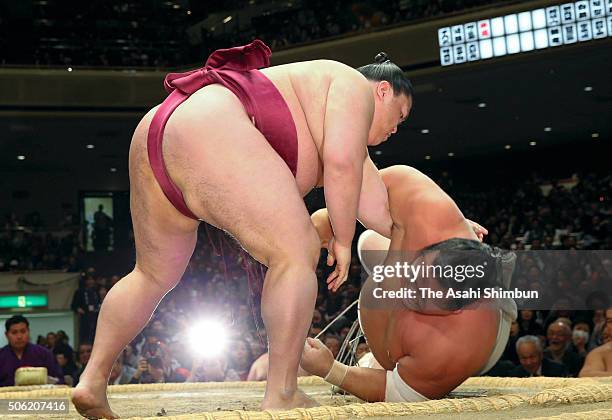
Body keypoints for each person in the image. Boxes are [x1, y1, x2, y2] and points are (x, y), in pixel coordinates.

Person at [72, 39, 413, 417]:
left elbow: (383, 210)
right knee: (296, 250)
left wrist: (451, 220)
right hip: (212, 122)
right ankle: (282, 391)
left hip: (160, 126)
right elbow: (339, 164)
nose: (396, 129)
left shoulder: (345, 130)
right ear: (382, 91)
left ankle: (92, 380)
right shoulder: (351, 84)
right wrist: (345, 240)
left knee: (151, 274)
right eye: (399, 115)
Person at [301, 165, 516, 402]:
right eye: (417, 275)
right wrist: (331, 221)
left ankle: (380, 360)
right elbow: (359, 184)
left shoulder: (454, 349)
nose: (411, 289)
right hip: (428, 245)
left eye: (423, 298)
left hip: (458, 344)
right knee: (370, 242)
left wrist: (330, 369)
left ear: (456, 308)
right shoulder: (427, 208)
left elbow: (397, 393)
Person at [0, 315, 65, 387]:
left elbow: (60, 381)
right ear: (6, 335)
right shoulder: (1, 356)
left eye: (23, 331)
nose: (19, 336)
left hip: (40, 396)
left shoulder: (44, 354)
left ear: (28, 331)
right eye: (14, 332)